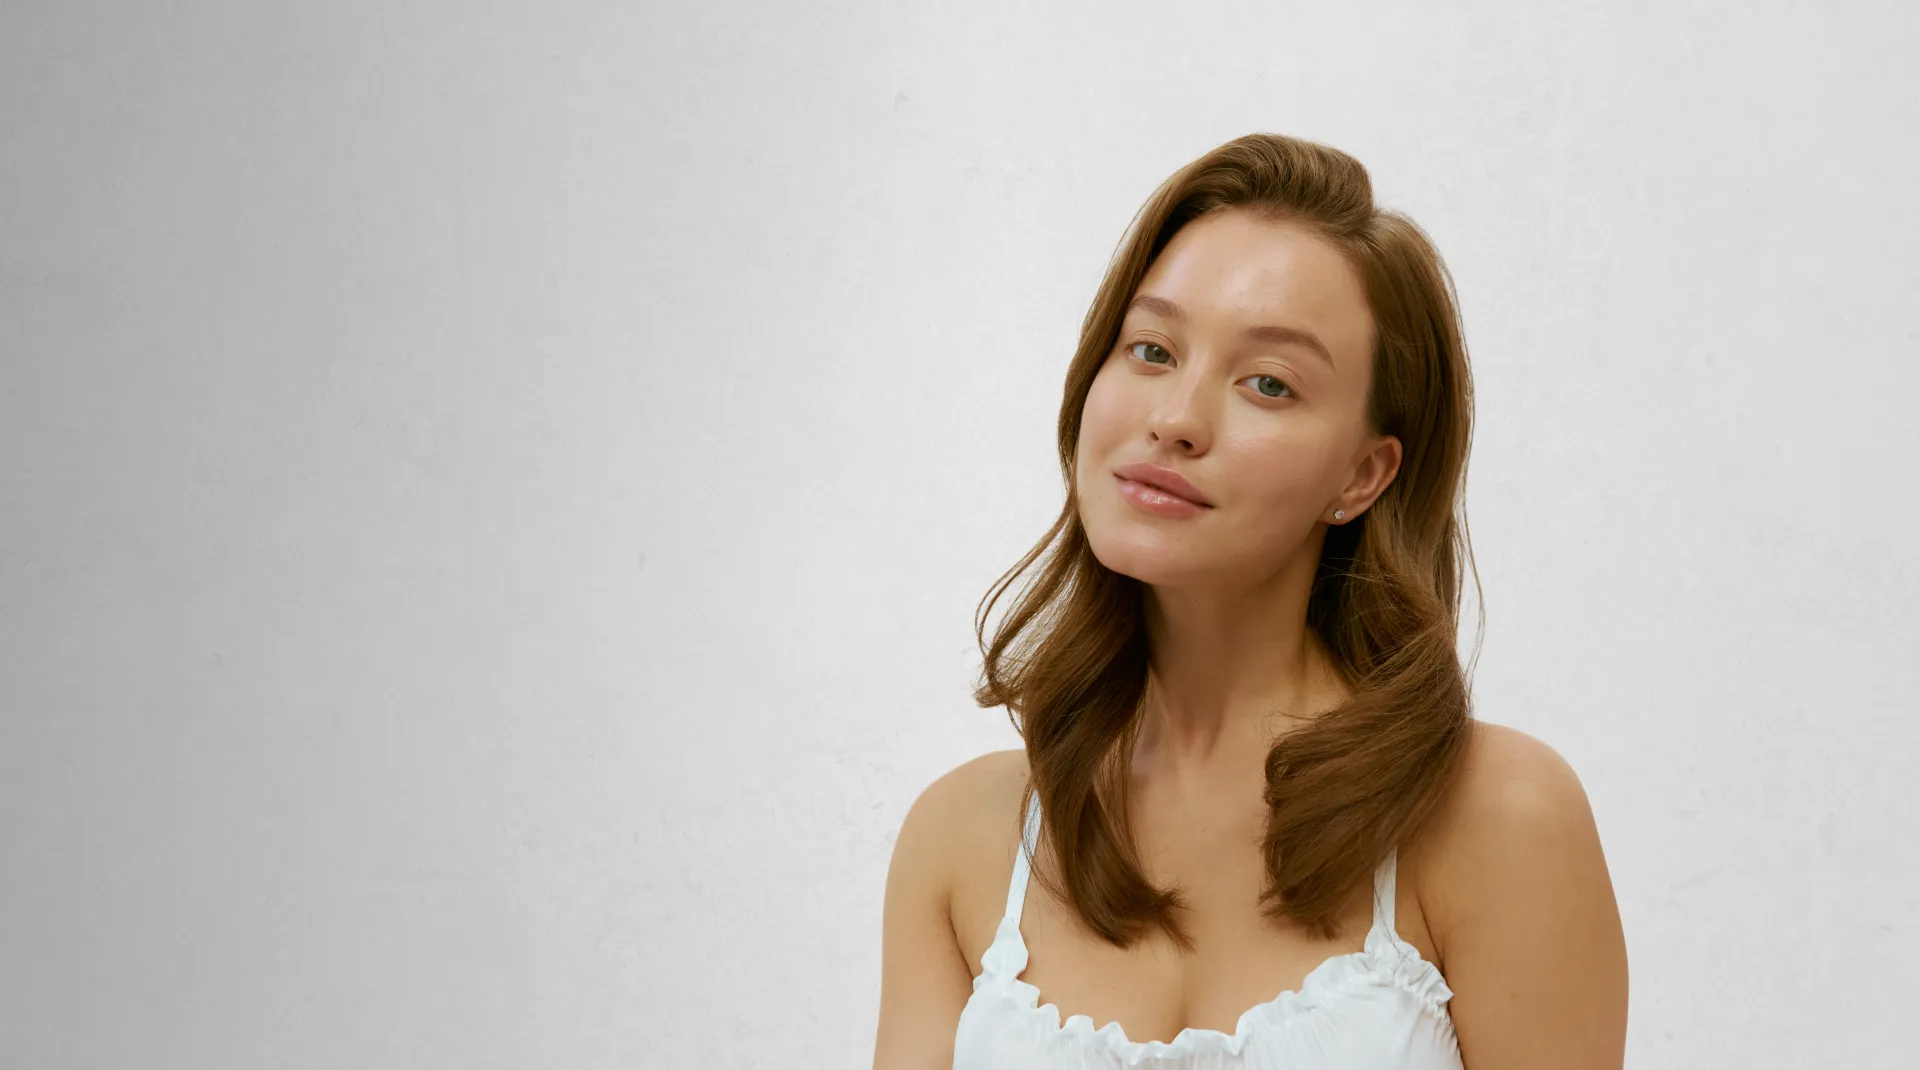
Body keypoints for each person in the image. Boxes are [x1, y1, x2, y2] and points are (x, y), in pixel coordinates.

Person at [872, 132, 1628, 1069]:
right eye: (1151, 350)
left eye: (1268, 383)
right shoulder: (964, 840)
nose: (1177, 419)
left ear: (1362, 474)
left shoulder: (1496, 816)